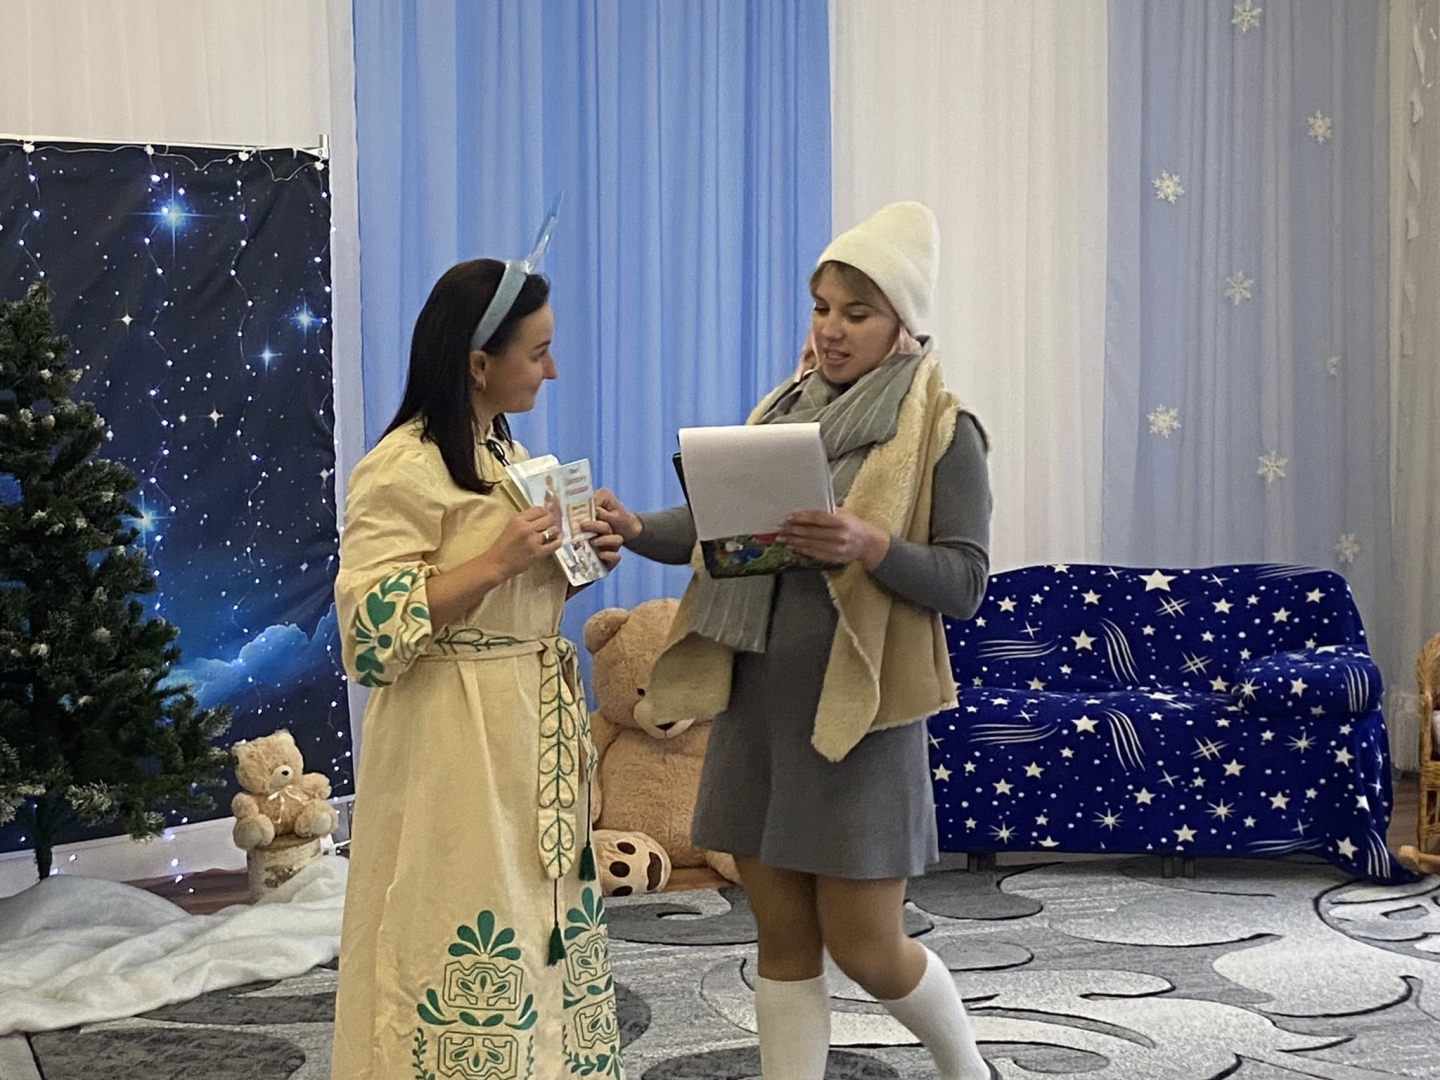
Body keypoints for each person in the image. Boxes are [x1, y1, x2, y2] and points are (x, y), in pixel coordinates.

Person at [597, 202, 995, 1080]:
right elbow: (721, 527)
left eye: (857, 312)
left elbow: (966, 583)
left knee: (868, 948)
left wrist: (870, 547)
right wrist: (636, 528)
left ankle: (970, 1070)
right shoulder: (784, 412)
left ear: (902, 323)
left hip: (859, 721)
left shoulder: (945, 430)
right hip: (758, 711)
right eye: (821, 308)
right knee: (779, 939)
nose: (830, 330)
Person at [332, 256, 626, 1080]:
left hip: (527, 720)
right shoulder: (401, 468)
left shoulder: (507, 452)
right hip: (450, 736)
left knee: (538, 913)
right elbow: (368, 634)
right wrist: (497, 560)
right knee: (456, 909)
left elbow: (517, 605)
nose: (552, 370)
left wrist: (580, 562)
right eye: (538, 352)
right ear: (477, 363)